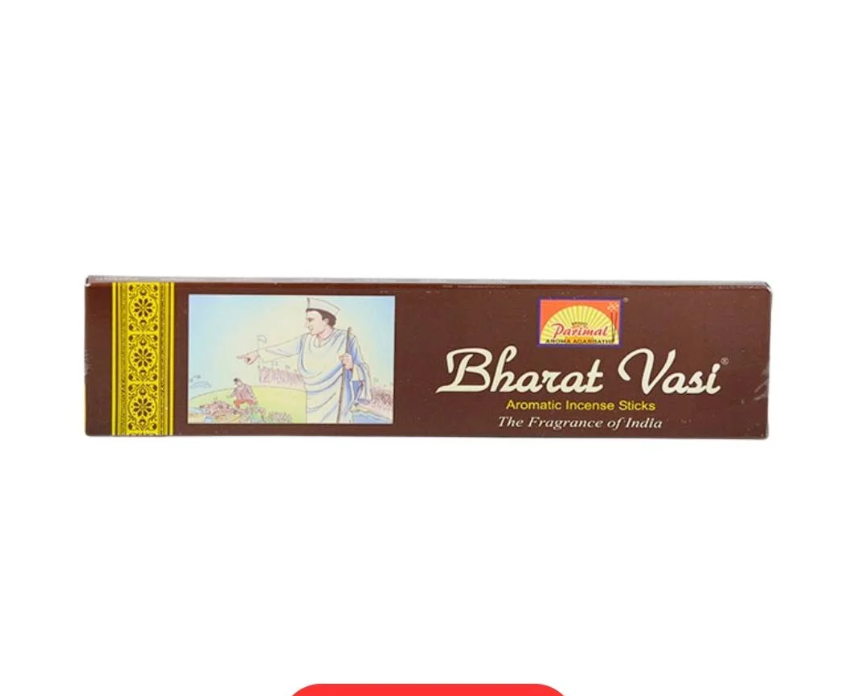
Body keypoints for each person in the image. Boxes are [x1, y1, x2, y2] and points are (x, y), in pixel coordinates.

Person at [237, 298, 372, 423]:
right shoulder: (306, 340)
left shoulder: (346, 339)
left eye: (310, 320)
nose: (306, 324)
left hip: (338, 403)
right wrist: (257, 354)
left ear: (325, 320)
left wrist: (351, 366)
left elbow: (363, 369)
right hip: (313, 403)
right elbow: (283, 349)